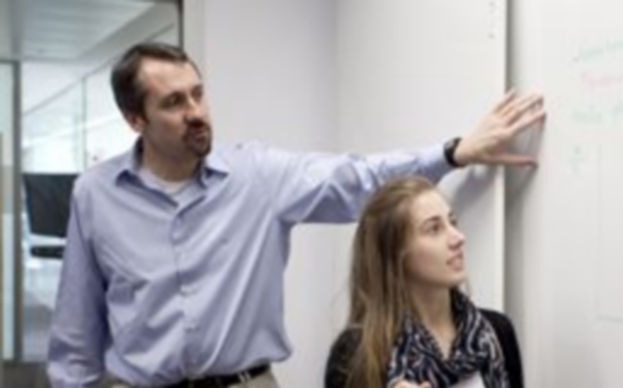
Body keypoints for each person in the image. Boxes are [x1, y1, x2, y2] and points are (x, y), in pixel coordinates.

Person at [47, 42, 543, 388]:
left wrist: (454, 152)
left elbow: (358, 179)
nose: (196, 111)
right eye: (174, 103)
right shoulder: (96, 195)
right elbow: (75, 330)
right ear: (136, 119)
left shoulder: (256, 176)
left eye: (199, 93)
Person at [324, 177, 523, 388]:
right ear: (395, 253)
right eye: (434, 229)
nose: (458, 237)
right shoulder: (356, 354)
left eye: (452, 222)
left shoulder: (497, 331)